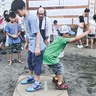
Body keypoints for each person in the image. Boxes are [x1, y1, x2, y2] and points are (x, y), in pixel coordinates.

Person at [43, 25, 93, 90]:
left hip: (47, 55)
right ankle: (60, 83)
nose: (69, 35)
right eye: (68, 33)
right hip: (50, 56)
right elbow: (76, 38)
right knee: (60, 67)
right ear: (64, 34)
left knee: (56, 67)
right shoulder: (63, 39)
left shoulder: (59, 38)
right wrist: (88, 31)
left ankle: (56, 78)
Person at [11, 0, 46, 92]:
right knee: (30, 61)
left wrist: (37, 47)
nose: (17, 14)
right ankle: (31, 77)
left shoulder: (31, 18)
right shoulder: (24, 18)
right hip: (31, 45)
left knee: (36, 64)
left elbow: (37, 33)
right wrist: (26, 43)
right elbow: (28, 32)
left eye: (18, 12)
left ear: (23, 8)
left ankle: (37, 83)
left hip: (37, 46)